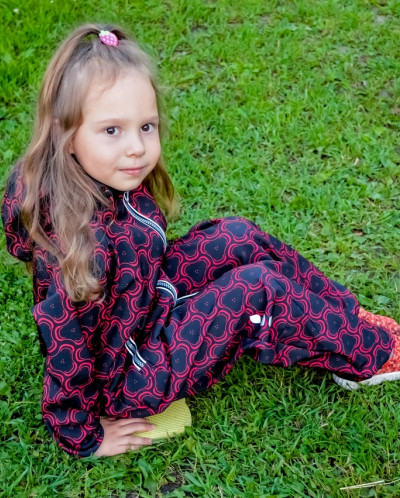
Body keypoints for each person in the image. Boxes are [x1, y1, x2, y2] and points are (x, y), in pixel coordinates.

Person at [2, 23, 400, 459]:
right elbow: (65, 342)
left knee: (237, 235)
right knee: (255, 288)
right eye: (112, 130)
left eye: (146, 126)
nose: (136, 147)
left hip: (144, 305)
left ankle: (343, 314)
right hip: (130, 376)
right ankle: (368, 356)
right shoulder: (80, 245)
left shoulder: (100, 178)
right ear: (65, 135)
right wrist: (84, 436)